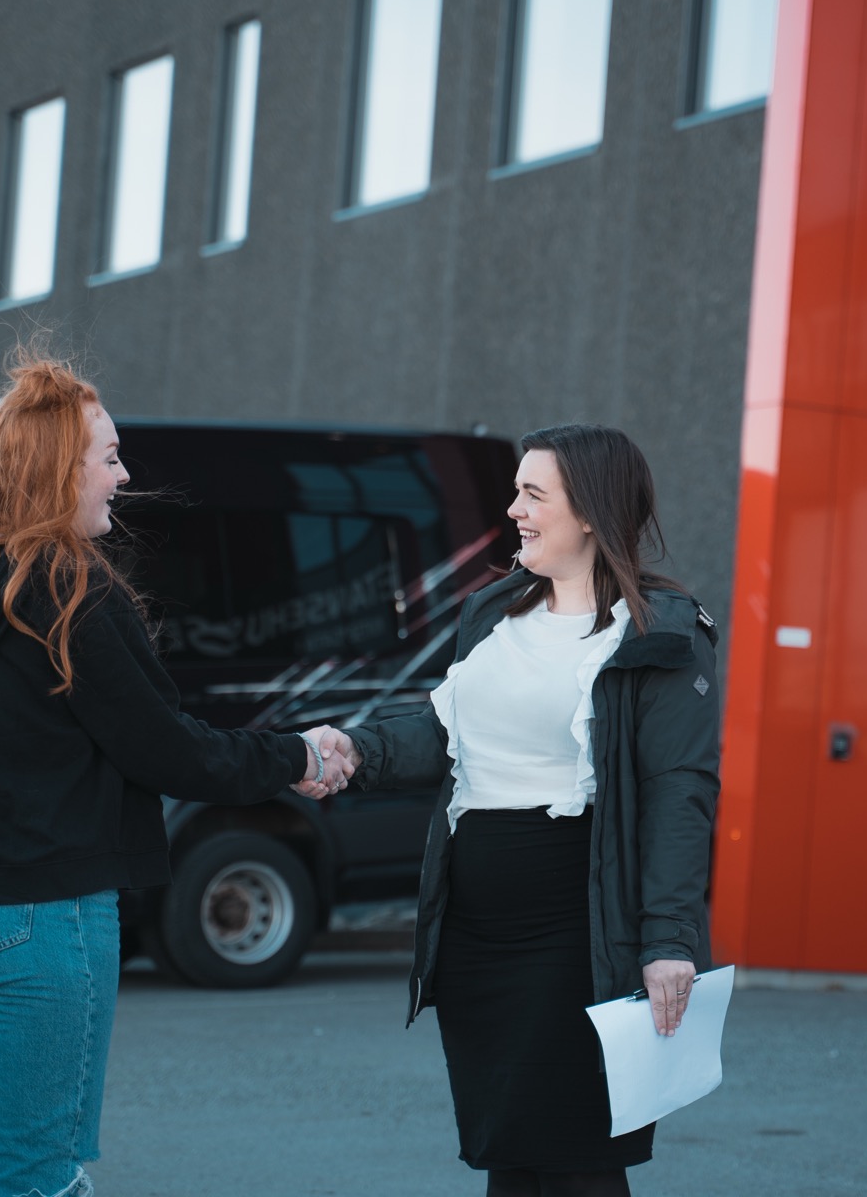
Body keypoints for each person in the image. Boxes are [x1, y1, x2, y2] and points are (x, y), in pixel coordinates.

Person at [0, 350, 351, 1197]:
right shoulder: (68, 592)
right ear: (58, 472)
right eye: (108, 457)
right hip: (43, 912)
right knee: (36, 1175)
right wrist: (300, 755)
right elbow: (166, 749)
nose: (123, 475)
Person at [309, 424, 720, 1197]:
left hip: (577, 936)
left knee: (580, 1160)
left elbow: (680, 794)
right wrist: (356, 750)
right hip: (476, 938)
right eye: (516, 492)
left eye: (533, 494)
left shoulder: (662, 634)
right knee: (512, 1154)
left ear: (590, 511)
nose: (514, 511)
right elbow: (444, 731)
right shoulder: (494, 611)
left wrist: (670, 940)